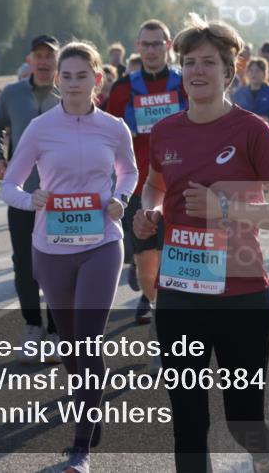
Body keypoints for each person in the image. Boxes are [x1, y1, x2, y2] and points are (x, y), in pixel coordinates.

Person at [133, 14, 269, 473]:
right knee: (187, 421)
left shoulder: (251, 130)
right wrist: (150, 211)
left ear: (230, 72)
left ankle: (263, 453)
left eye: (208, 62)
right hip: (179, 292)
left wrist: (223, 209)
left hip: (241, 295)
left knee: (242, 417)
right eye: (189, 62)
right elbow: (154, 184)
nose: (197, 71)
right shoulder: (166, 130)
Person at [1, 41, 137, 473]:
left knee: (89, 339)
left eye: (83, 76)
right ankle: (88, 409)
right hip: (51, 248)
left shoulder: (115, 128)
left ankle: (81, 448)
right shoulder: (40, 129)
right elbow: (10, 185)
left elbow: (129, 170)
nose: (74, 83)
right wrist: (32, 200)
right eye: (67, 76)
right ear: (57, 80)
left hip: (101, 243)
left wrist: (121, 197)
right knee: (72, 346)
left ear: (97, 79)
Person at [105, 20, 188, 325]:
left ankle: (167, 323)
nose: (152, 50)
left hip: (181, 186)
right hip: (138, 187)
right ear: (137, 48)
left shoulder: (185, 83)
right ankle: (150, 296)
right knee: (146, 262)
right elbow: (106, 134)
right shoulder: (123, 89)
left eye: (158, 44)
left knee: (173, 256)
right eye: (146, 44)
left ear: (168, 46)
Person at [0, 35, 62, 362]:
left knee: (59, 265)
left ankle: (58, 330)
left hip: (62, 197)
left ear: (58, 61)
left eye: (50, 56)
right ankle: (33, 326)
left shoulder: (70, 94)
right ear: (30, 59)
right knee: (24, 264)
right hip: (22, 194)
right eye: (38, 55)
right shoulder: (12, 94)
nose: (44, 61)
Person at [232, 57, 269, 133]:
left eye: (257, 71)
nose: (253, 74)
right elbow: (233, 118)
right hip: (245, 136)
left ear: (264, 73)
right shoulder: (239, 93)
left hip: (268, 136)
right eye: (251, 70)